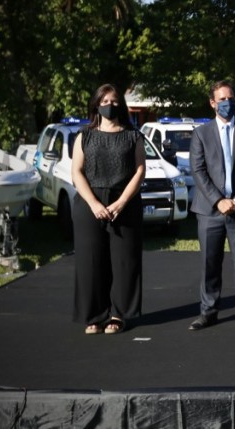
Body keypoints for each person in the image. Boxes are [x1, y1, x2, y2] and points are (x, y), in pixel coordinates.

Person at [188, 80, 235, 331]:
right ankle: (208, 311)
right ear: (212, 103)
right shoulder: (201, 133)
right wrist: (218, 200)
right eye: (221, 99)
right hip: (209, 210)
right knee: (210, 262)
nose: (227, 103)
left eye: (230, 98)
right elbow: (198, 171)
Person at [72, 84, 145, 335]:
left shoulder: (133, 135)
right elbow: (76, 172)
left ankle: (118, 315)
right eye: (104, 100)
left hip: (124, 203)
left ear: (121, 105)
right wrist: (93, 203)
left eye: (114, 101)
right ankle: (94, 315)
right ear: (95, 104)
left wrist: (121, 202)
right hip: (89, 203)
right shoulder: (85, 135)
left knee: (124, 262)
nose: (109, 105)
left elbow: (140, 171)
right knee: (90, 262)